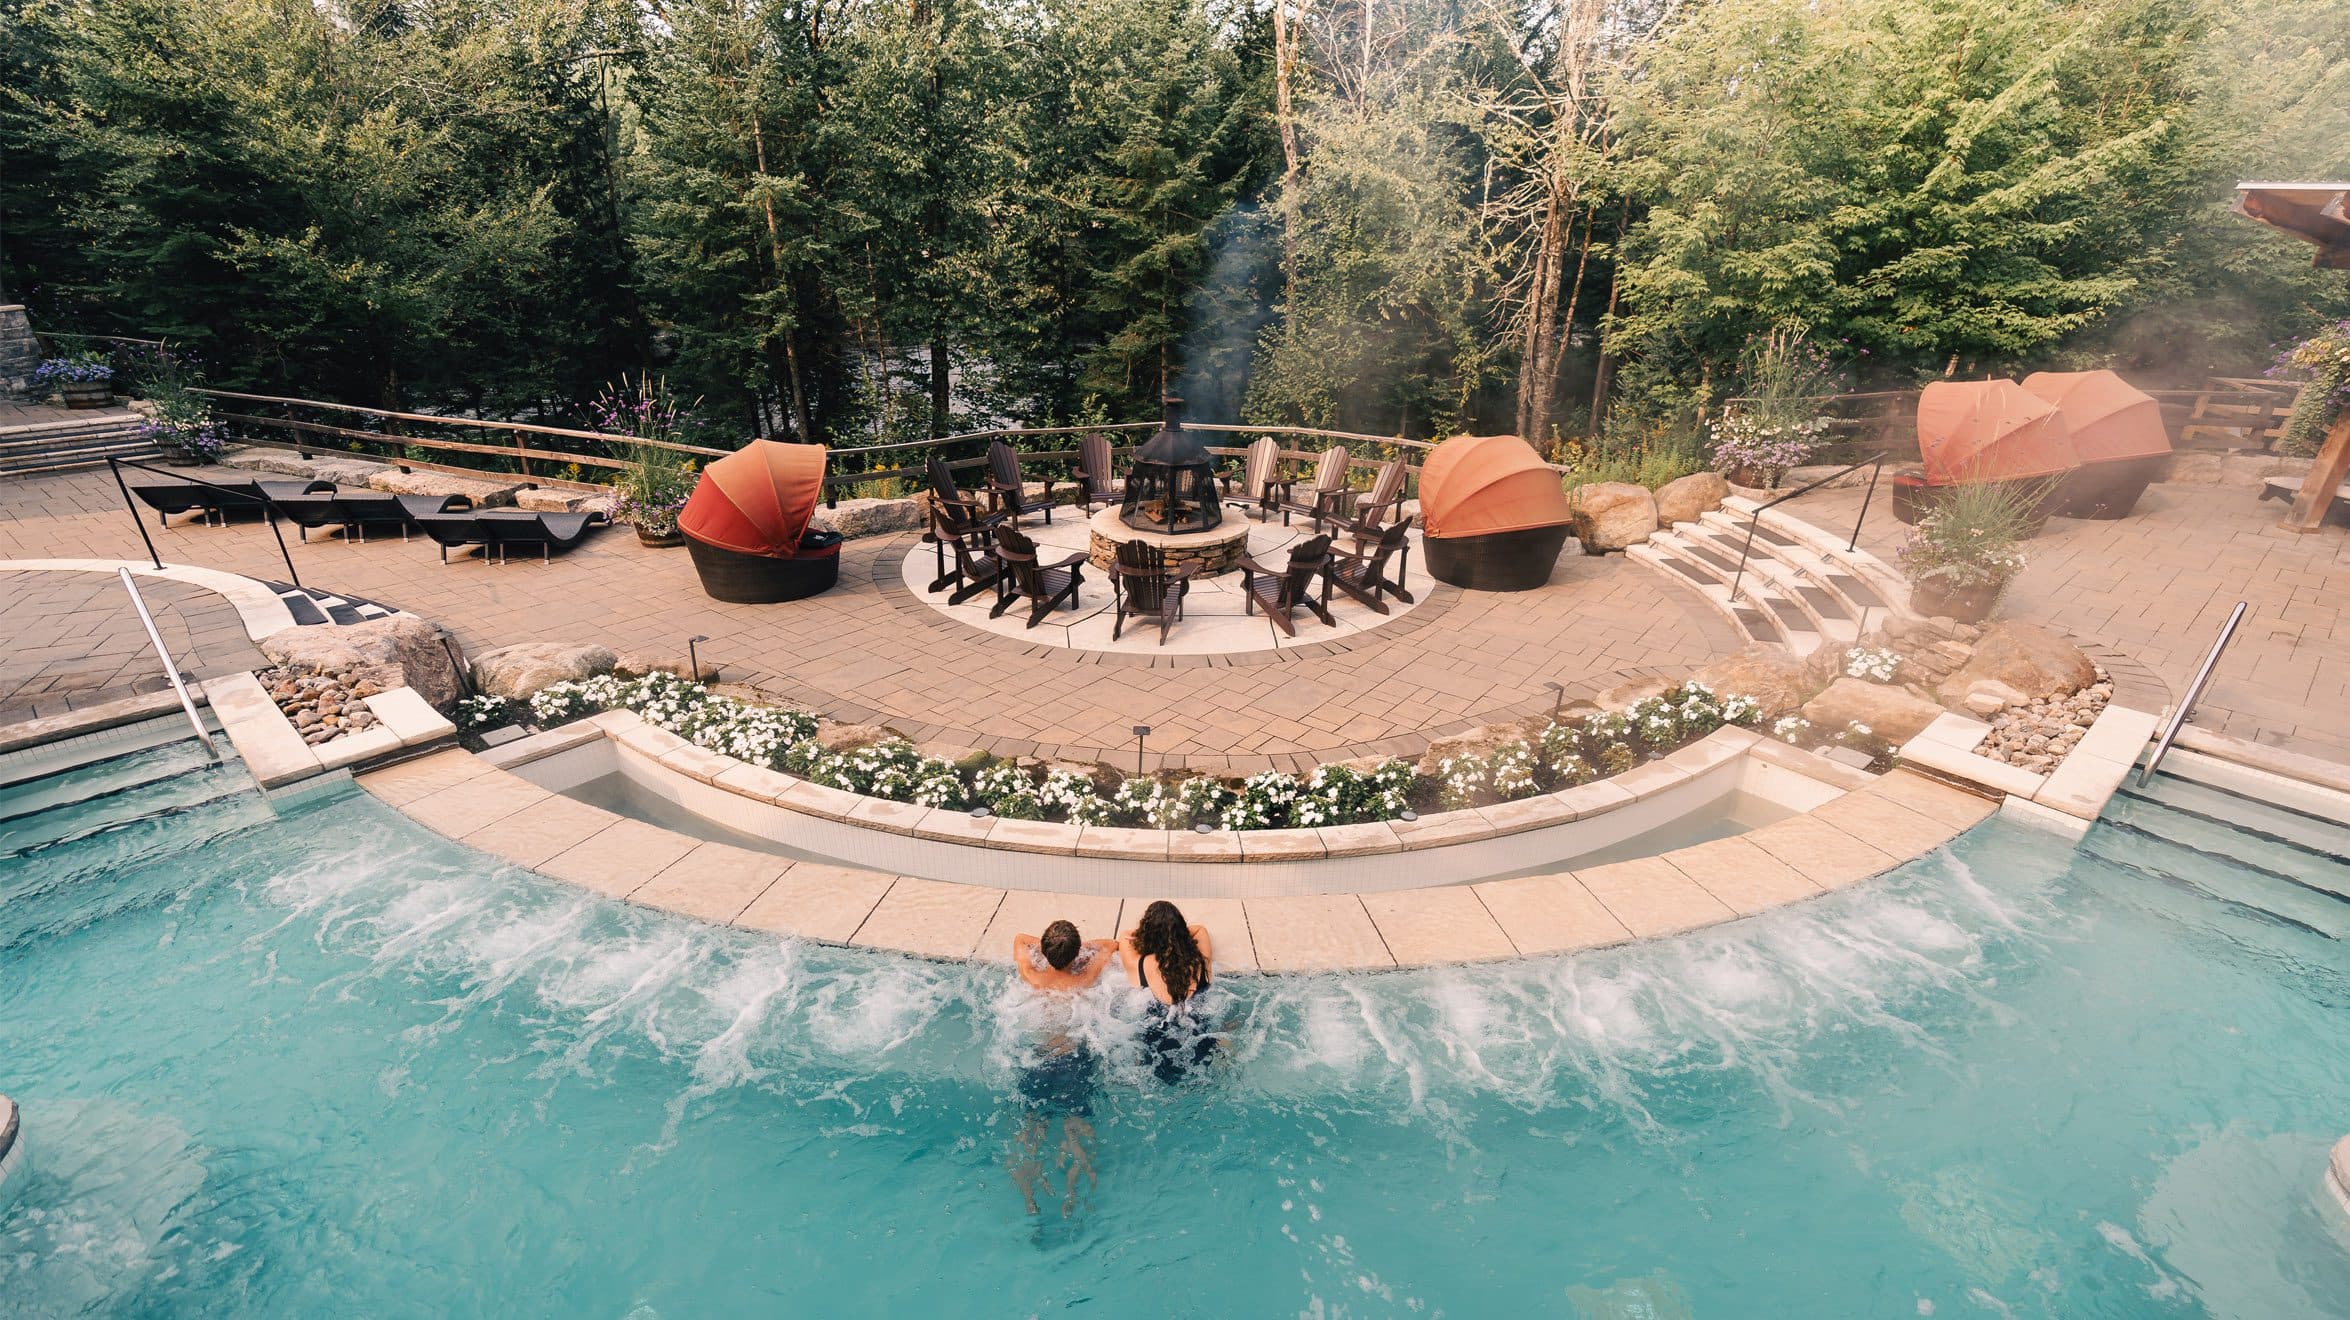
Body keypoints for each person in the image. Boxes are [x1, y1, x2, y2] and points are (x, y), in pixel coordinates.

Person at [1007, 920, 1118, 1216]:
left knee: (1032, 1129)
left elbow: (1020, 937)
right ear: (1075, 954)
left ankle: (1030, 1197)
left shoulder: (1031, 976)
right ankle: (1072, 1195)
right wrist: (1080, 950)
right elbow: (1110, 945)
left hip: (1038, 1061)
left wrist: (1046, 947)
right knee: (1075, 1131)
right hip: (1072, 1063)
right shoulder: (1084, 980)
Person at [1121, 900, 1217, 1082]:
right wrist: (1175, 935)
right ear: (1181, 931)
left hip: (1157, 1052)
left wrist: (1144, 935)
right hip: (1200, 1046)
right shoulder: (1201, 962)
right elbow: (1200, 930)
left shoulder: (1138, 966)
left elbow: (1124, 936)